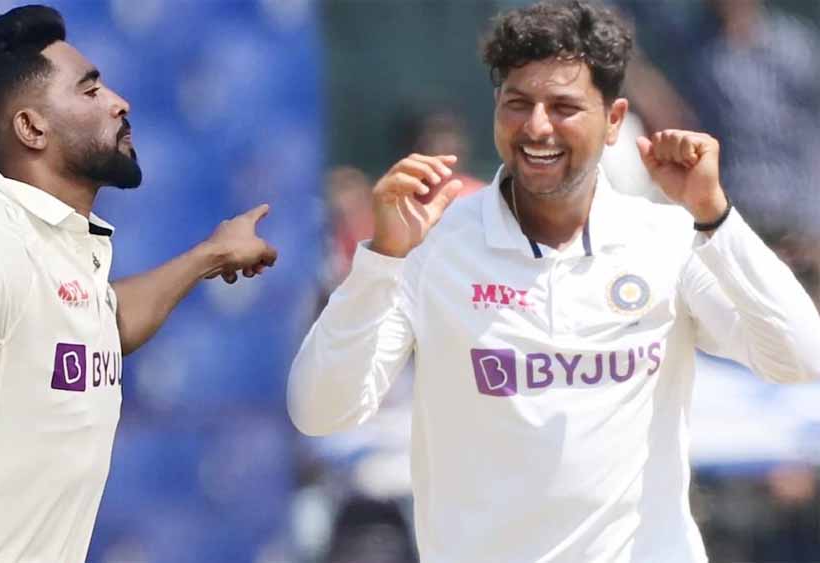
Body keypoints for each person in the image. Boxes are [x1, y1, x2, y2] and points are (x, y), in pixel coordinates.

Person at [287, 0, 820, 561]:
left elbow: (802, 357)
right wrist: (382, 260)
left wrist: (716, 217)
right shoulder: (432, 246)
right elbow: (320, 411)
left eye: (564, 107)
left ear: (614, 120)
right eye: (518, 103)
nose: (537, 127)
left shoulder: (665, 237)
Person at [0, 6, 277, 563]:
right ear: (32, 128)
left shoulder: (60, 246)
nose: (120, 102)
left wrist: (209, 255)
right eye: (90, 91)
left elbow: (105, 323)